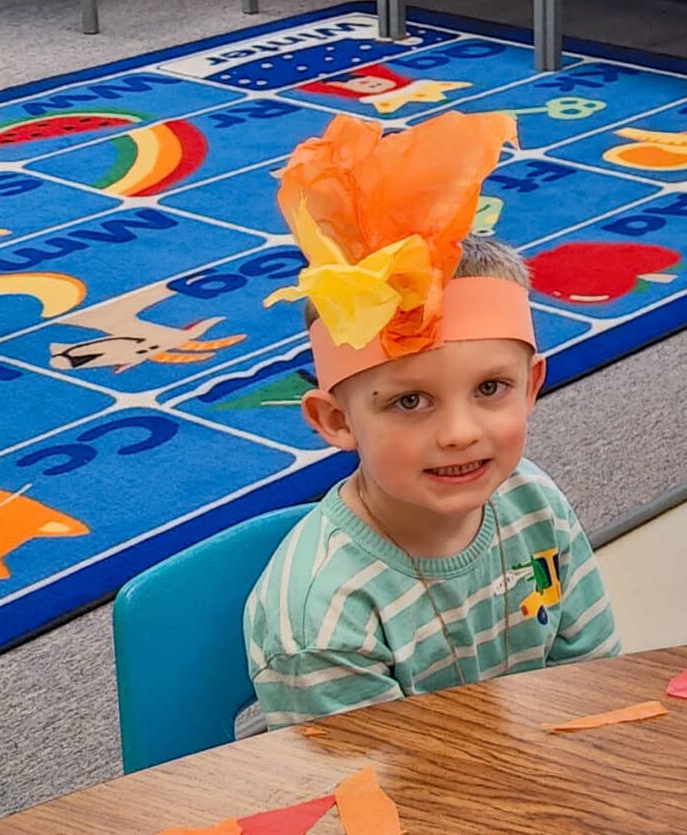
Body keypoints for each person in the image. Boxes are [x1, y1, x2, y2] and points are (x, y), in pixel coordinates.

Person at [243, 112, 617, 727]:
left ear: (532, 387)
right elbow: (375, 795)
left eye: (491, 388)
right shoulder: (325, 615)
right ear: (336, 420)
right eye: (409, 402)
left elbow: (593, 678)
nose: (460, 432)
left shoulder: (535, 502)